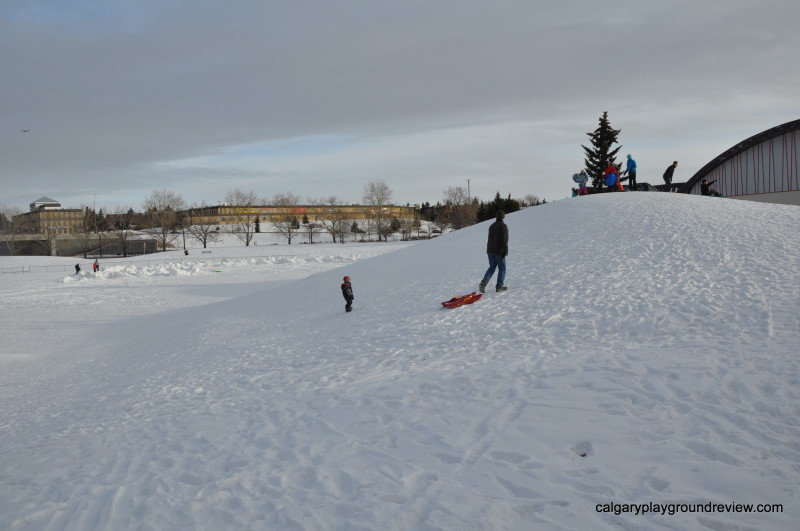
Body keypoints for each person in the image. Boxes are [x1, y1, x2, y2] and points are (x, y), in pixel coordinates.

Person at [479, 211, 509, 293]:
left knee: (492, 267)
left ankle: (483, 284)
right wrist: (505, 250)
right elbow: (505, 240)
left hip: (490, 251)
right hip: (499, 251)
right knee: (502, 268)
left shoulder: (491, 226)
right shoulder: (503, 226)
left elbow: (490, 239)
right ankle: (499, 286)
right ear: (503, 217)